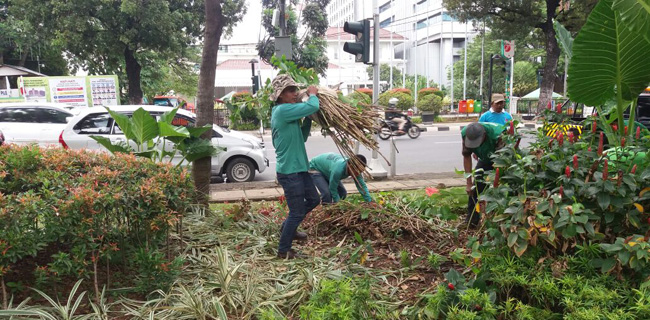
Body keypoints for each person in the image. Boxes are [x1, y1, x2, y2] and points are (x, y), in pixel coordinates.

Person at [270, 74, 321, 259]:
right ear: (281, 95)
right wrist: (312, 94)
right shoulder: (282, 110)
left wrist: (308, 119)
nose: (294, 93)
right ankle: (284, 250)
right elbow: (313, 105)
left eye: (294, 90)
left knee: (314, 199)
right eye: (290, 91)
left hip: (299, 169)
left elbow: (303, 136)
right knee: (297, 211)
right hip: (289, 172)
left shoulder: (288, 112)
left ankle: (288, 227)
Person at [461, 122, 506, 227]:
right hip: (485, 159)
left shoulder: (498, 134)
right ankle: (472, 221)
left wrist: (494, 180)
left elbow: (501, 159)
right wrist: (468, 183)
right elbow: (466, 156)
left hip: (502, 160)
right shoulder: (465, 133)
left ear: (484, 135)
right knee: (475, 188)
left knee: (501, 190)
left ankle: (500, 219)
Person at [309, 153, 377, 205]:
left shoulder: (356, 169)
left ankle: (333, 208)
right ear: (350, 166)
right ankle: (326, 212)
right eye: (357, 171)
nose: (358, 174)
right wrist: (339, 205)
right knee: (327, 194)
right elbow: (333, 188)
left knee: (343, 193)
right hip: (315, 168)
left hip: (328, 170)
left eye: (360, 171)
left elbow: (361, 185)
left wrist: (369, 201)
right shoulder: (338, 170)